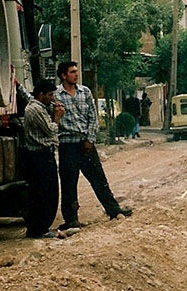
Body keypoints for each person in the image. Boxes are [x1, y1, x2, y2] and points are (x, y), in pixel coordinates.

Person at [54, 61, 132, 229]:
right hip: (67, 144)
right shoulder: (55, 95)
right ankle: (71, 219)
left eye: (76, 71)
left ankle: (113, 210)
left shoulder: (85, 92)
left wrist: (90, 139)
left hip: (85, 144)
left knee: (99, 179)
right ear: (63, 75)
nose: (76, 74)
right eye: (72, 72)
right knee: (69, 183)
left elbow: (93, 118)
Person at [21, 80, 67, 239]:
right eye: (49, 95)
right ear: (41, 94)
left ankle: (39, 227)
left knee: (43, 192)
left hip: (40, 155)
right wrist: (57, 117)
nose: (52, 98)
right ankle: (39, 228)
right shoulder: (36, 110)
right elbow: (51, 130)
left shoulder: (37, 107)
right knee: (45, 193)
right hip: (40, 156)